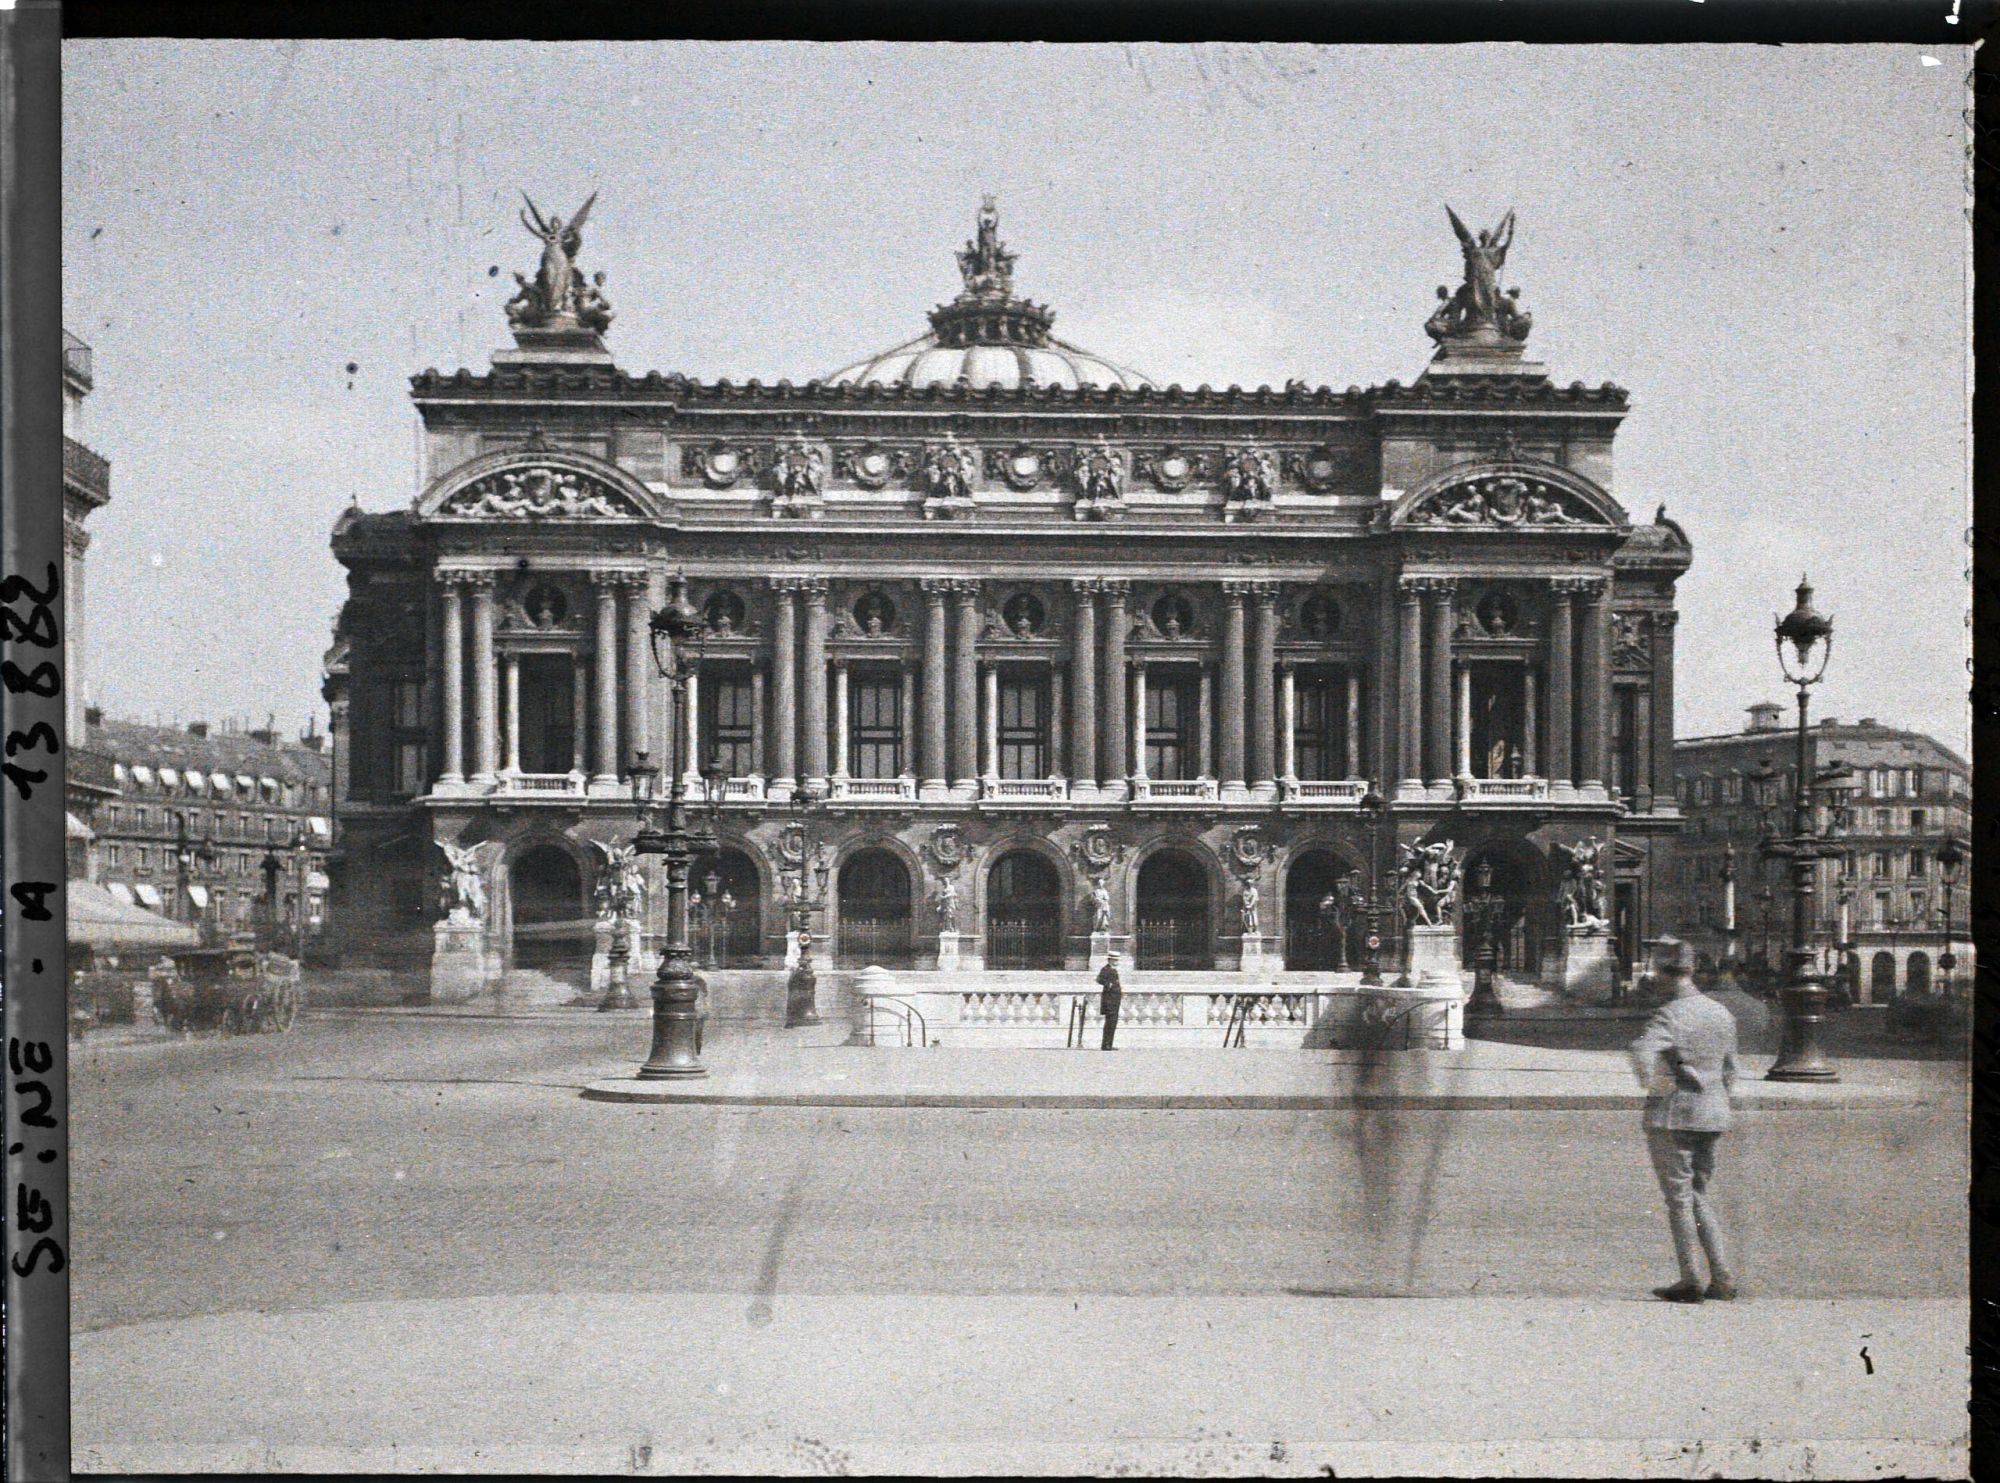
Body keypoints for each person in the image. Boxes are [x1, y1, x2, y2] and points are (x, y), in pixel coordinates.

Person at [1628, 936, 1740, 1303]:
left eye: (1656, 973)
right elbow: (1731, 1071)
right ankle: (1721, 1277)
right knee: (1698, 1195)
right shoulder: (1721, 1013)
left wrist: (1663, 1080)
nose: (1654, 980)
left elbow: (1642, 1053)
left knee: (1679, 1200)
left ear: (1666, 974)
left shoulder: (1669, 1015)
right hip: (1713, 1114)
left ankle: (1691, 1278)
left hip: (1673, 1116)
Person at [1096, 952, 1124, 1051]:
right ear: (1110, 960)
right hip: (1109, 1000)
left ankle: (1109, 1043)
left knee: (1112, 1023)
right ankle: (1106, 1045)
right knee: (1110, 1023)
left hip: (1114, 1000)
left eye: (1117, 960)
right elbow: (1099, 979)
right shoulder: (1106, 969)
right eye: (1115, 960)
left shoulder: (1113, 969)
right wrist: (1108, 984)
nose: (1117, 962)